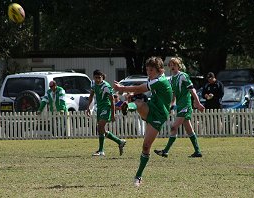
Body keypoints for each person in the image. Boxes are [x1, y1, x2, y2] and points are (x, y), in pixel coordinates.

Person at [114, 57, 173, 187]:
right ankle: (127, 107)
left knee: (146, 146)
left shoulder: (160, 80)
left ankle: (138, 176)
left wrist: (122, 88)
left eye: (151, 70)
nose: (148, 72)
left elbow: (141, 88)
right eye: (147, 69)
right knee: (139, 103)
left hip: (160, 114)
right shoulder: (153, 78)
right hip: (152, 107)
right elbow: (142, 90)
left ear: (160, 70)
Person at [154, 57, 205, 158]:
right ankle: (197, 151)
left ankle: (165, 151)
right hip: (180, 105)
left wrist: (197, 103)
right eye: (171, 65)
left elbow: (192, 89)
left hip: (186, 104)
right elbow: (173, 94)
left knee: (174, 127)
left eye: (174, 65)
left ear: (178, 66)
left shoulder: (183, 76)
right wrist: (171, 104)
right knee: (189, 129)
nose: (172, 66)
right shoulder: (172, 79)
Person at [86, 70, 126, 157]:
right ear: (93, 77)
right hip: (99, 108)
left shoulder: (106, 86)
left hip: (106, 107)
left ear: (102, 77)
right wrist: (88, 107)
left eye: (99, 78)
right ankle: (119, 142)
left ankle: (101, 151)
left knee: (100, 127)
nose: (97, 79)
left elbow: (112, 101)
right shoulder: (93, 84)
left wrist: (113, 114)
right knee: (101, 129)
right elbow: (91, 95)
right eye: (96, 78)